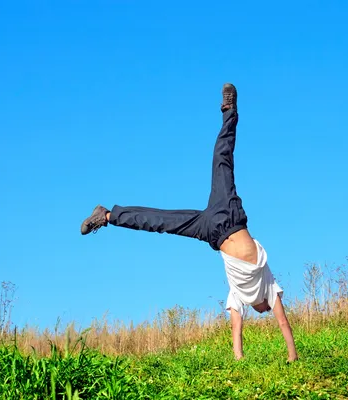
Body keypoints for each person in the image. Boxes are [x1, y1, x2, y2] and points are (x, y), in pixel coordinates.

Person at [80, 83, 298, 362]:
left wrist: (239, 358)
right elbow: (283, 323)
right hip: (230, 216)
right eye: (266, 310)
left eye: (263, 312)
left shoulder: (238, 298)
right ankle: (230, 111)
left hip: (212, 232)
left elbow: (236, 331)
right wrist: (292, 356)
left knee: (159, 221)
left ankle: (107, 216)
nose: (264, 312)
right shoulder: (270, 287)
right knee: (222, 159)